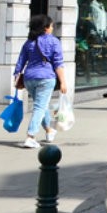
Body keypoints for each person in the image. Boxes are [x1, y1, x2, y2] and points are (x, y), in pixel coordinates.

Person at [12, 14, 67, 148]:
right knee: (40, 107)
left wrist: (16, 76)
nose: (53, 28)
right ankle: (31, 136)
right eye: (51, 26)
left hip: (29, 78)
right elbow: (58, 64)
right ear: (45, 28)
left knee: (41, 105)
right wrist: (63, 82)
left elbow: (21, 61)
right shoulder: (54, 41)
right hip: (46, 78)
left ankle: (49, 131)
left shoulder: (29, 42)